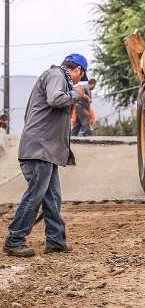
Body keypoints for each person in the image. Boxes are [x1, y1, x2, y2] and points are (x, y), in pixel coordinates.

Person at [3, 53, 88, 257]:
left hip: (46, 151)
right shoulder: (56, 74)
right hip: (39, 150)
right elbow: (56, 99)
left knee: (52, 198)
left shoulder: (55, 77)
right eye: (80, 78)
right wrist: (77, 93)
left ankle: (56, 241)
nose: (79, 82)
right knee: (35, 196)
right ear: (77, 70)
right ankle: (14, 240)